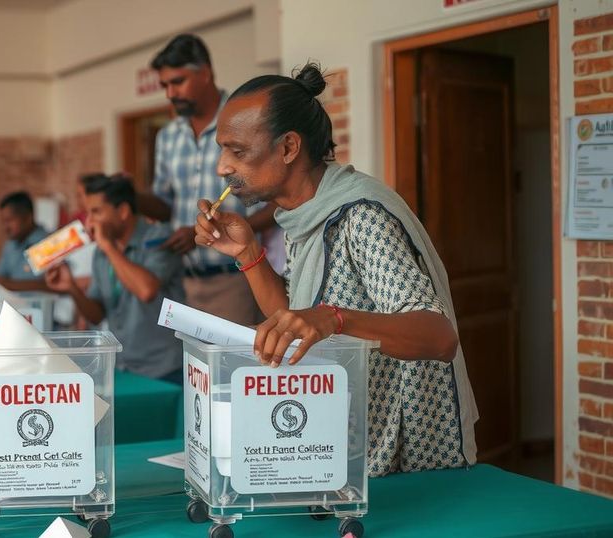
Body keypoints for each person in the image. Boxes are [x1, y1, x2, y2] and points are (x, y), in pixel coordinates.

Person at [193, 64, 478, 476]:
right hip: (341, 448)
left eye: (237, 151)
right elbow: (293, 319)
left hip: (402, 463)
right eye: (222, 150)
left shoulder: (360, 216)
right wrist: (247, 252)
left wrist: (334, 318)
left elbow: (438, 335)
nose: (222, 167)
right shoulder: (304, 213)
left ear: (289, 148)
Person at [137, 34, 278, 326]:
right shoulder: (167, 137)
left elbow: (277, 204)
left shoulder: (246, 122)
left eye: (177, 82)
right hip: (181, 283)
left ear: (205, 73)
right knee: (192, 372)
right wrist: (131, 196)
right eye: (165, 85)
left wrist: (212, 233)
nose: (170, 94)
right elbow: (165, 205)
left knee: (229, 369)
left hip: (235, 279)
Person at [46, 176, 184, 382]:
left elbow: (146, 290)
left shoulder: (159, 237)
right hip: (122, 365)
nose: (89, 222)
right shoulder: (102, 252)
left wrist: (109, 247)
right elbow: (96, 314)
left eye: (96, 212)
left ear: (123, 212)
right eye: (88, 213)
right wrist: (71, 288)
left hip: (163, 369)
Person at [0, 191, 49, 291]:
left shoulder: (47, 244)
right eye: (3, 222)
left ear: (28, 218)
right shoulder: (10, 245)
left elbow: (52, 286)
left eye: (9, 220)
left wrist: (8, 285)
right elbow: (0, 277)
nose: (5, 227)